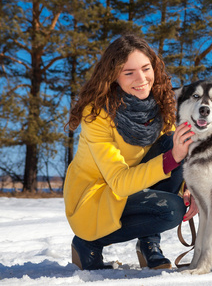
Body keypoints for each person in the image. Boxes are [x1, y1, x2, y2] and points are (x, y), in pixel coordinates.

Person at [64, 34, 198, 270]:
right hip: (95, 196)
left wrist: (191, 187)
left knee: (172, 142)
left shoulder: (160, 103)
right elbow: (119, 183)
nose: (141, 78)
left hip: (133, 185)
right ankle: (88, 242)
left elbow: (174, 152)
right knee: (171, 210)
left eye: (146, 68)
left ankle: (149, 244)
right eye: (129, 72)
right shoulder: (96, 115)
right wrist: (173, 159)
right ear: (113, 76)